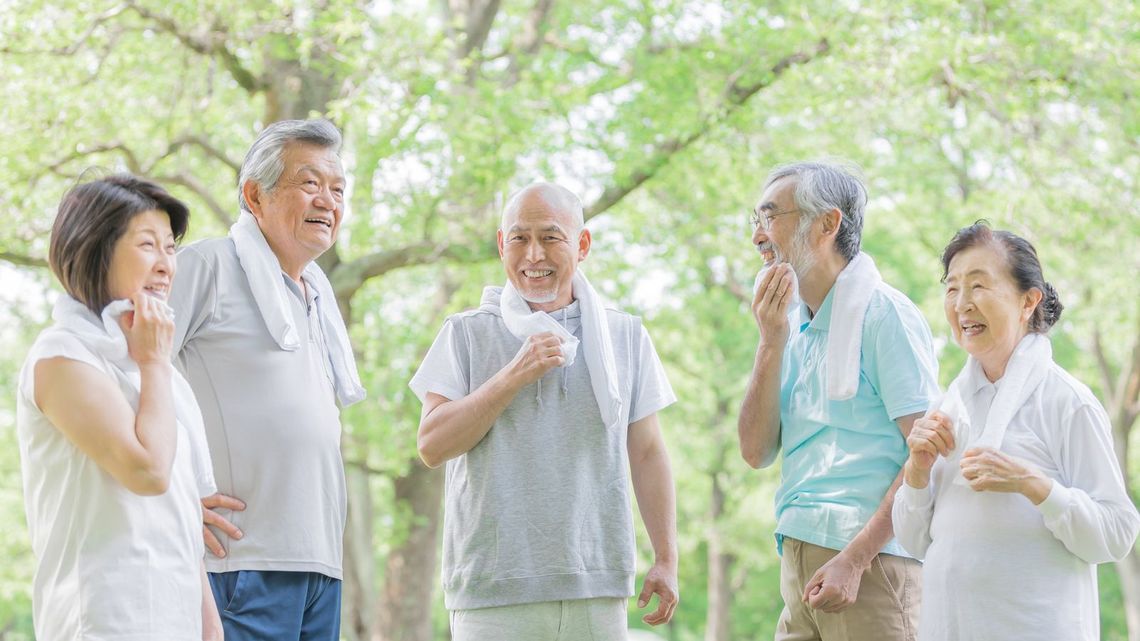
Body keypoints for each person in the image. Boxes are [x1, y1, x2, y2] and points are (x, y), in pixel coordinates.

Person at [410, 182, 679, 640]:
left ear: (582, 244)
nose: (534, 254)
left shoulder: (626, 335)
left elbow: (649, 452)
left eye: (551, 237)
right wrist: (513, 375)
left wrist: (666, 559)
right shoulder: (465, 333)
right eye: (519, 238)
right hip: (492, 592)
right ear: (501, 245)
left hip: (596, 587)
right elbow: (432, 445)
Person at [892, 222, 1140, 641]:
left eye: (978, 285)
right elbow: (917, 543)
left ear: (1029, 301)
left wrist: (1033, 485)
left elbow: (1116, 534)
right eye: (952, 288)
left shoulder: (1067, 402)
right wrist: (916, 473)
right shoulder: (947, 407)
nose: (962, 303)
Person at [168, 119, 365, 640]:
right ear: (255, 196)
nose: (328, 200)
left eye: (338, 188)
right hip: (239, 563)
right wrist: (172, 495)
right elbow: (125, 373)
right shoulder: (205, 267)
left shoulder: (318, 298)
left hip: (320, 567)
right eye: (310, 183)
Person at [738, 161, 940, 640]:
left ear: (828, 223)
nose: (757, 238)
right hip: (798, 559)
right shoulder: (788, 324)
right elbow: (756, 452)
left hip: (871, 566)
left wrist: (856, 558)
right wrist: (770, 342)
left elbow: (927, 452)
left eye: (770, 218)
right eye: (756, 221)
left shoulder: (884, 315)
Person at [16, 175, 222, 640]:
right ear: (95, 249)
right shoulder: (63, 357)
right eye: (148, 245)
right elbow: (148, 473)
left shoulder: (154, 370)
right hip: (104, 619)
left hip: (173, 619)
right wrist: (154, 361)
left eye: (171, 248)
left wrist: (210, 625)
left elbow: (182, 513)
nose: (167, 265)